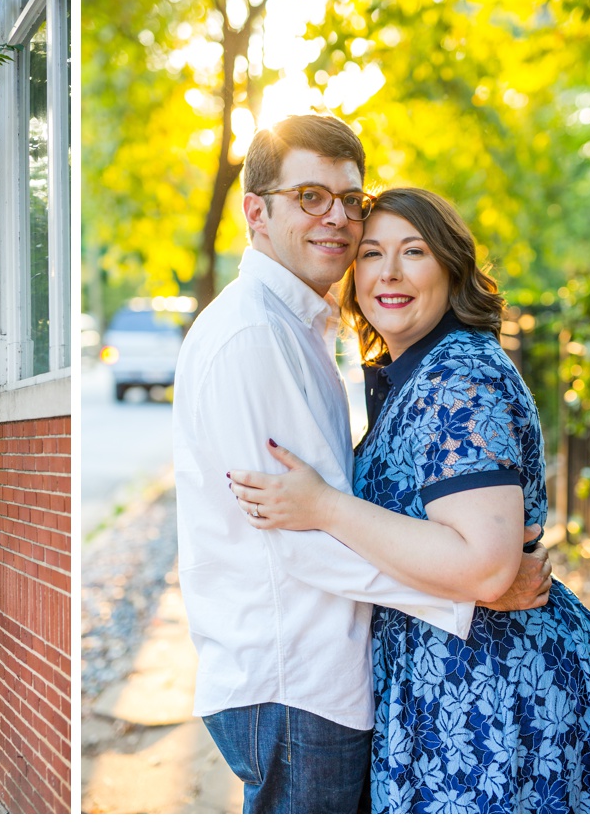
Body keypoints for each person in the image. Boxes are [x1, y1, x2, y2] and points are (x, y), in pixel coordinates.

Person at [172, 115, 551, 814]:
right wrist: (475, 588)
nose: (338, 219)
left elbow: (326, 508)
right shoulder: (254, 337)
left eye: (351, 199)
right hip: (296, 679)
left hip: (326, 677)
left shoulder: (304, 329)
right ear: (257, 211)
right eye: (311, 197)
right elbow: (294, 539)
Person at [228, 187, 590, 812]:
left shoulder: (458, 378)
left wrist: (323, 506)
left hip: (495, 700)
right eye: (370, 254)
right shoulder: (419, 370)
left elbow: (486, 566)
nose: (388, 272)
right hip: (452, 687)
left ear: (449, 267)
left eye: (412, 252)